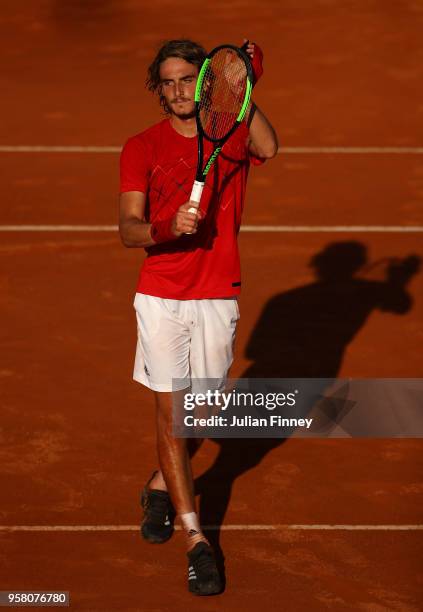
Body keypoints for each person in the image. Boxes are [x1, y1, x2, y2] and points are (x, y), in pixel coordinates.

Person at [119, 38, 278, 596]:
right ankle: (197, 541)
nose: (179, 90)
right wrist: (166, 229)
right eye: (169, 81)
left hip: (216, 293)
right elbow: (128, 230)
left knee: (201, 414)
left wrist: (245, 91)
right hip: (161, 295)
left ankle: (161, 482)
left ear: (204, 83)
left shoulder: (232, 136)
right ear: (157, 88)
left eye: (189, 78)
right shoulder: (141, 146)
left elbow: (271, 146)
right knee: (169, 415)